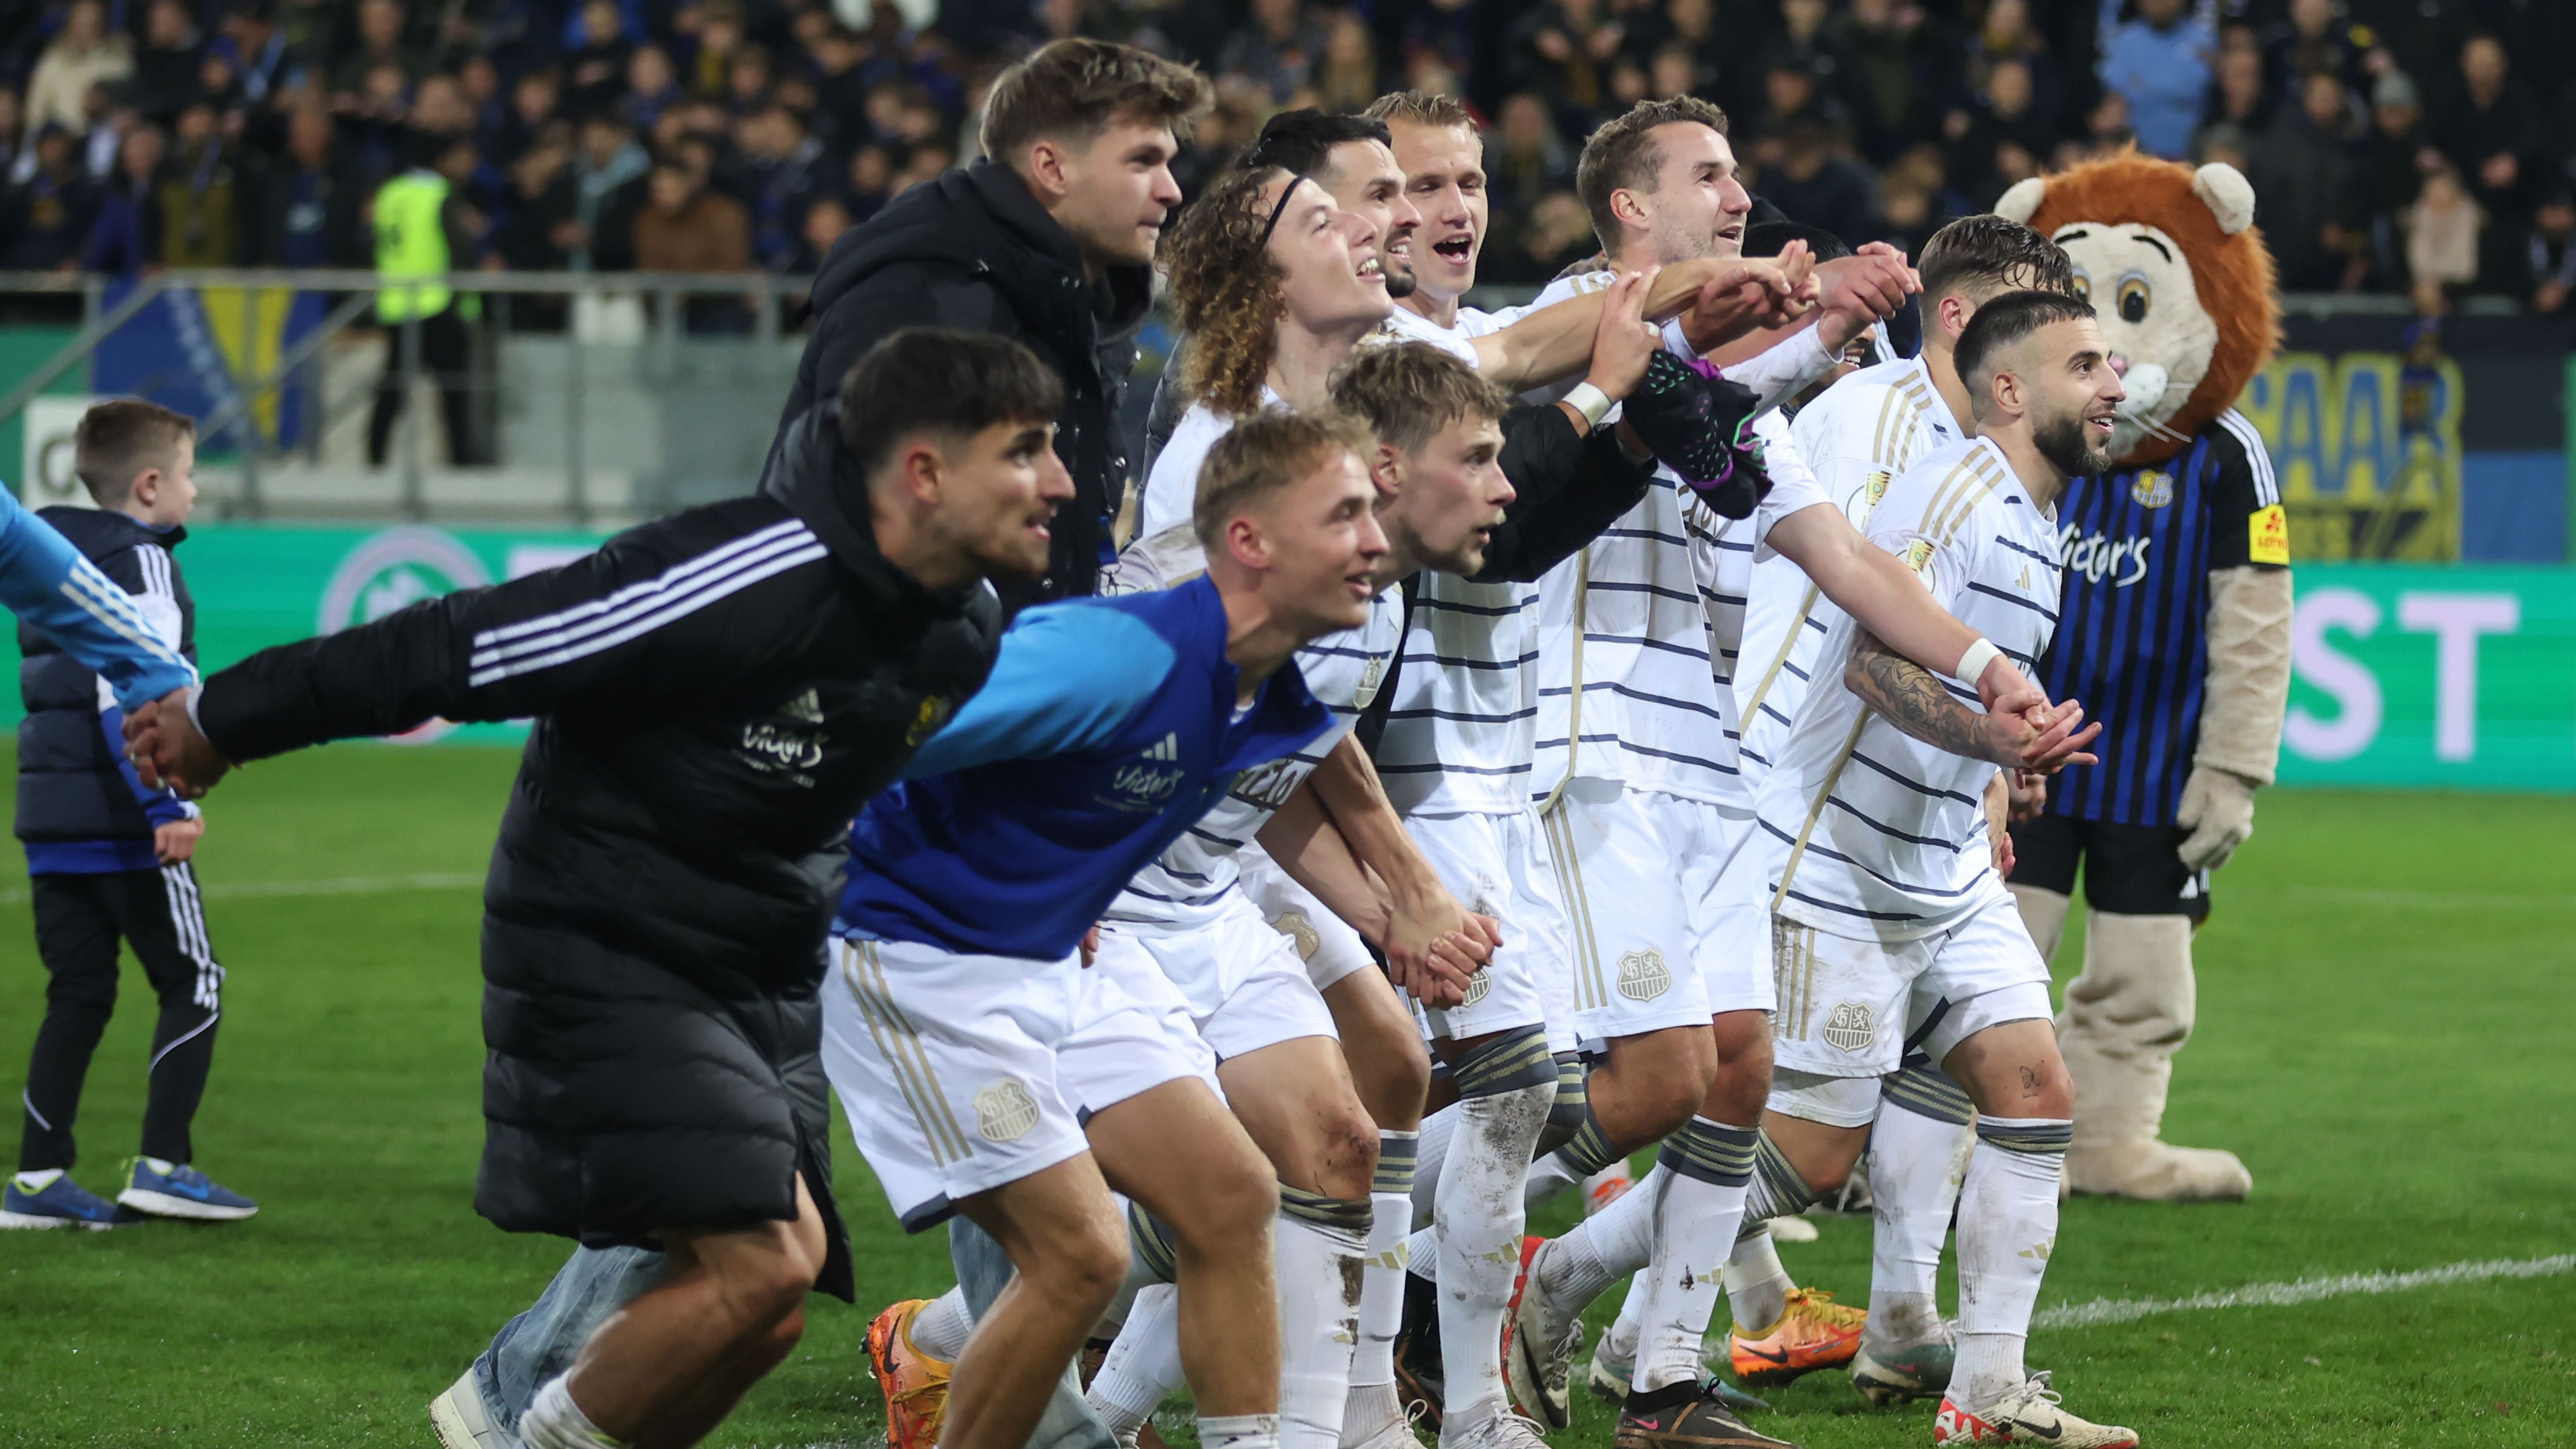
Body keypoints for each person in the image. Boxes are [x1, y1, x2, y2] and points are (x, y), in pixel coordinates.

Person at [125, 329, 1076, 1449]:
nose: (1059, 480)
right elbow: (466, 644)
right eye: (1025, 451)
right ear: (923, 471)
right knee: (758, 1261)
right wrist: (226, 716)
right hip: (605, 947)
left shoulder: (960, 629)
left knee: (766, 1306)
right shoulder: (741, 574)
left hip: (762, 977)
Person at [1492, 97, 2051, 1449]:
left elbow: (1847, 563)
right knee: (1633, 1080)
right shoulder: (1577, 318)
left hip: (1709, 768)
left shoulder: (1730, 400)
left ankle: (1664, 1382)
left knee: (1737, 1075)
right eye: (1707, 174)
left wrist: (1986, 667)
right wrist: (1788, 314)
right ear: (1629, 204)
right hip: (1583, 750)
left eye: (1740, 173)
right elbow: (1588, 342)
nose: (1739, 192)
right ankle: (1438, 1283)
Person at [823, 410, 1383, 1449]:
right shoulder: (1118, 657)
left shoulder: (1274, 699)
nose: (1375, 541)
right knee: (1080, 1251)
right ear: (1250, 541)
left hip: (1052, 950)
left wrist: (1065, 893)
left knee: (1229, 1193)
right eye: (1345, 514)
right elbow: (873, 726)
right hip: (919, 953)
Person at [1751, 290, 2132, 1447]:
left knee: (2033, 1088)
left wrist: (1995, 779)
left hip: (1943, 862)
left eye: (2114, 362)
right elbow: (1873, 661)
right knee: (1805, 1159)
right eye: (2087, 364)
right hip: (1840, 853)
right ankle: (1562, 1275)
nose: (2117, 383)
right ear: (2009, 389)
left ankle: (1983, 1396)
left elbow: (1969, 698)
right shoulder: (1957, 490)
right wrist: (1995, 739)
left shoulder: (2039, 517)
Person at [783, 37, 1210, 603]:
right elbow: (851, 529)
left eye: (1168, 163)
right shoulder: (926, 298)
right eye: (1142, 162)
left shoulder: (1085, 301)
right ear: (1051, 167)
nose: (1171, 191)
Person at [4, 402, 250, 1232]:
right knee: (196, 981)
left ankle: (36, 1180)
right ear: (149, 485)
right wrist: (167, 800)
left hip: (50, 815)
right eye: (186, 474)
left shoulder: (45, 560)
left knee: (77, 992)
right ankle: (163, 1165)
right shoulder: (141, 560)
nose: (193, 489)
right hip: (127, 819)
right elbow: (127, 688)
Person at [367, 134, 489, 469]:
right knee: (454, 392)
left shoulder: (390, 193)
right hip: (437, 304)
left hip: (395, 303)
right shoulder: (438, 194)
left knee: (392, 391)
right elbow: (459, 249)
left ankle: (374, 461)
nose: (470, 165)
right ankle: (461, 465)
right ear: (443, 160)